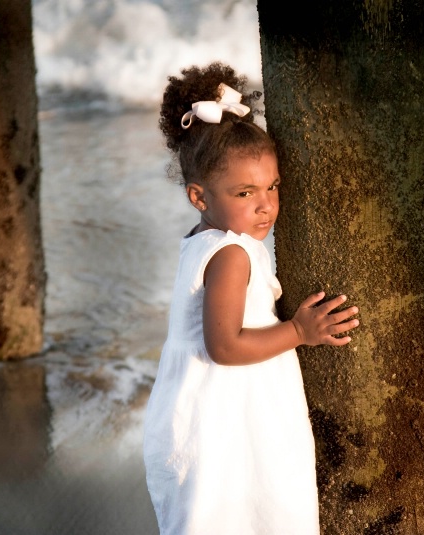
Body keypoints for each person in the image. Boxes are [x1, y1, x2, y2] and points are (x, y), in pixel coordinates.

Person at [142, 62, 360, 535]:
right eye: (245, 192)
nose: (266, 205)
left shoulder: (205, 239)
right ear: (199, 197)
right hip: (221, 423)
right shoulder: (233, 254)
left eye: (272, 186)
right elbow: (225, 347)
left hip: (211, 411)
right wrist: (301, 331)